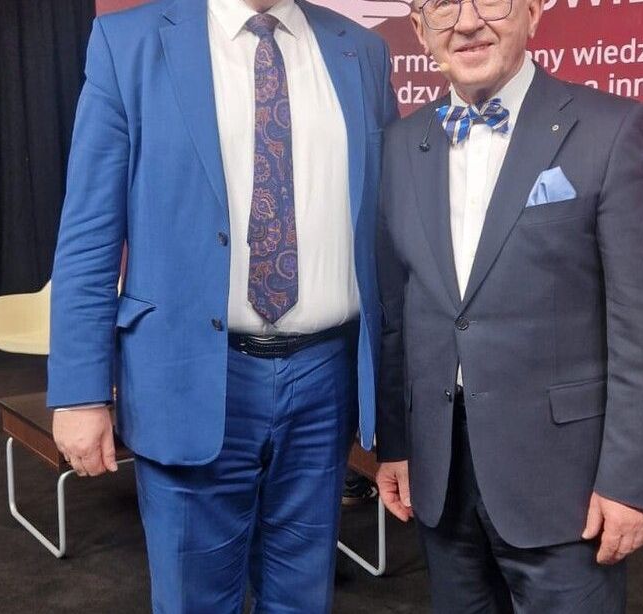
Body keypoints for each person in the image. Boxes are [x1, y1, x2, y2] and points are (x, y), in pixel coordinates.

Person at [47, 0, 397, 612]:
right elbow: (89, 232)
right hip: (189, 373)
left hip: (325, 378)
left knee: (303, 596)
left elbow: (391, 229)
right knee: (193, 600)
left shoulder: (360, 50)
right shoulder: (128, 43)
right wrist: (80, 392)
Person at [375, 1, 643, 612]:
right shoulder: (399, 144)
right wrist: (397, 442)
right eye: (441, 6)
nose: (466, 23)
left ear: (534, 12)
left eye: (489, 0)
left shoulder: (611, 130)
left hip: (568, 487)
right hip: (441, 476)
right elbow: (398, 311)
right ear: (419, 30)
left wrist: (631, 482)